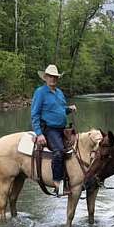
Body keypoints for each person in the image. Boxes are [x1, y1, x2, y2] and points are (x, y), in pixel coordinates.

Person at [31, 65, 77, 196]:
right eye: (50, 76)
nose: (53, 79)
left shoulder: (59, 92)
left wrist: (69, 109)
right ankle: (57, 182)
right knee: (58, 151)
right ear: (45, 78)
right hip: (49, 129)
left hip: (62, 129)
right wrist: (39, 134)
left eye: (55, 77)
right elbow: (35, 114)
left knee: (76, 148)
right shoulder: (40, 92)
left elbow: (60, 110)